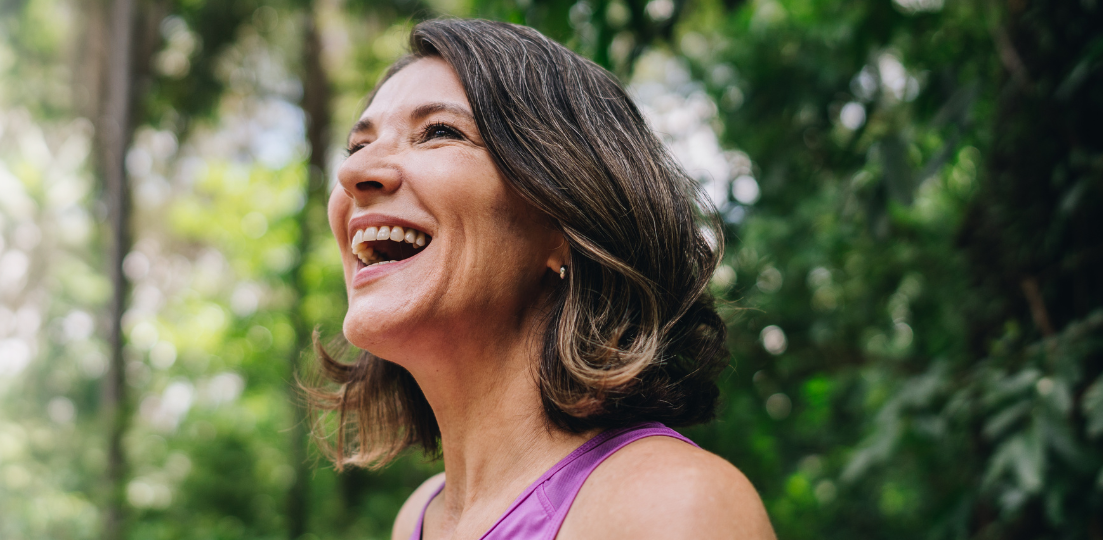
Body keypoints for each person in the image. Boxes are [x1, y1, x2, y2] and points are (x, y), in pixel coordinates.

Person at [311, 18, 776, 540]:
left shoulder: (667, 505)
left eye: (439, 132)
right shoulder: (421, 518)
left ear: (566, 223)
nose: (354, 173)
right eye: (357, 146)